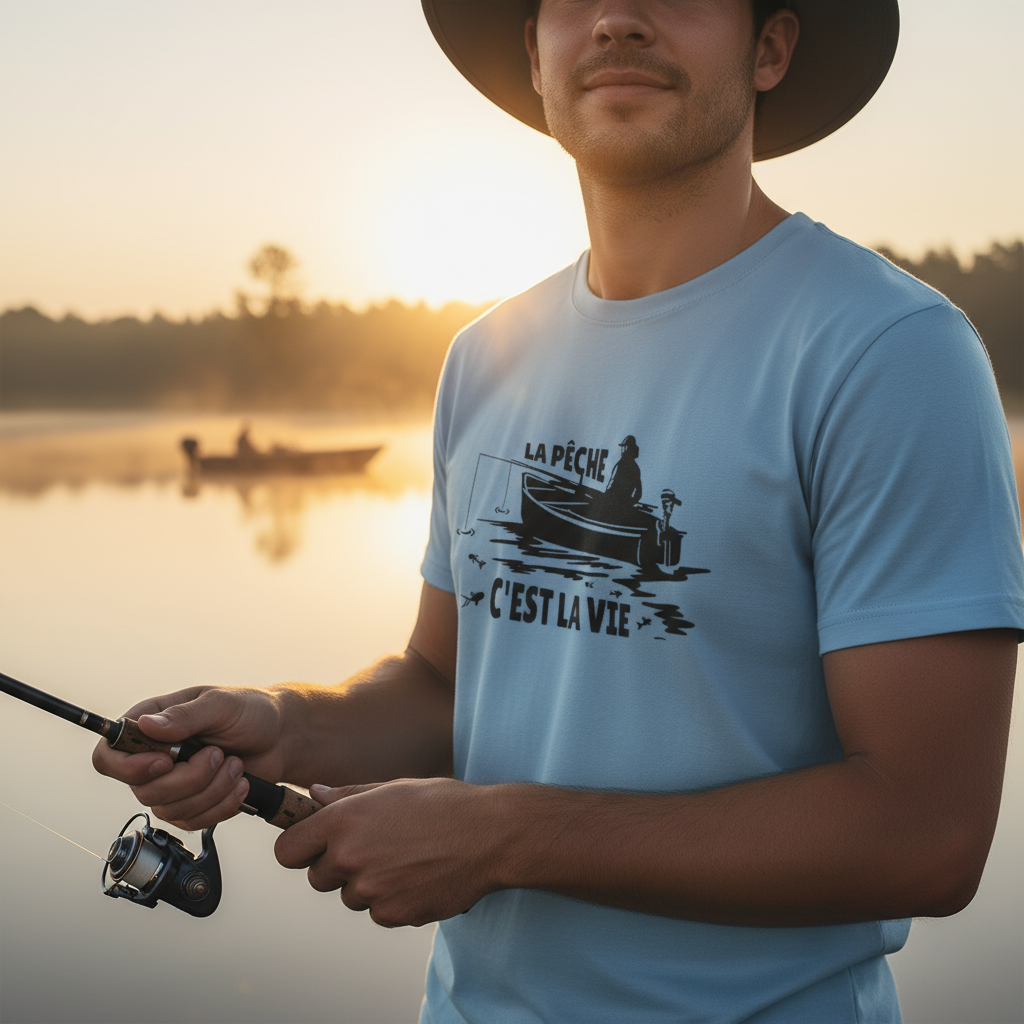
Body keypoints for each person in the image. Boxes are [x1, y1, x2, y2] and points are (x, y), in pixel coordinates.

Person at [93, 2, 1024, 1021]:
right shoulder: (486, 354)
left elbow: (925, 835)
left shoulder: (886, 354)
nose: (617, 18)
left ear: (769, 46)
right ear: (534, 58)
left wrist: (503, 834)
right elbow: (447, 686)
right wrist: (288, 723)